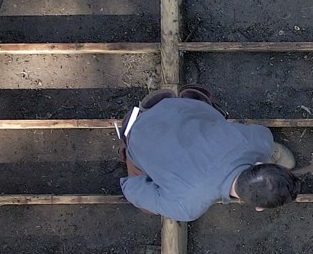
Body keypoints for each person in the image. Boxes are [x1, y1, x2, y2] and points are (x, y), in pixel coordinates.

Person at [118, 85, 300, 222]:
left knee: (212, 119)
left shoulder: (258, 142)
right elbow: (130, 187)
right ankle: (131, 141)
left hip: (176, 108)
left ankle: (175, 101)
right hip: (137, 134)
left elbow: (260, 133)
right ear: (258, 207)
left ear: (260, 164)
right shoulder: (186, 206)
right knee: (148, 207)